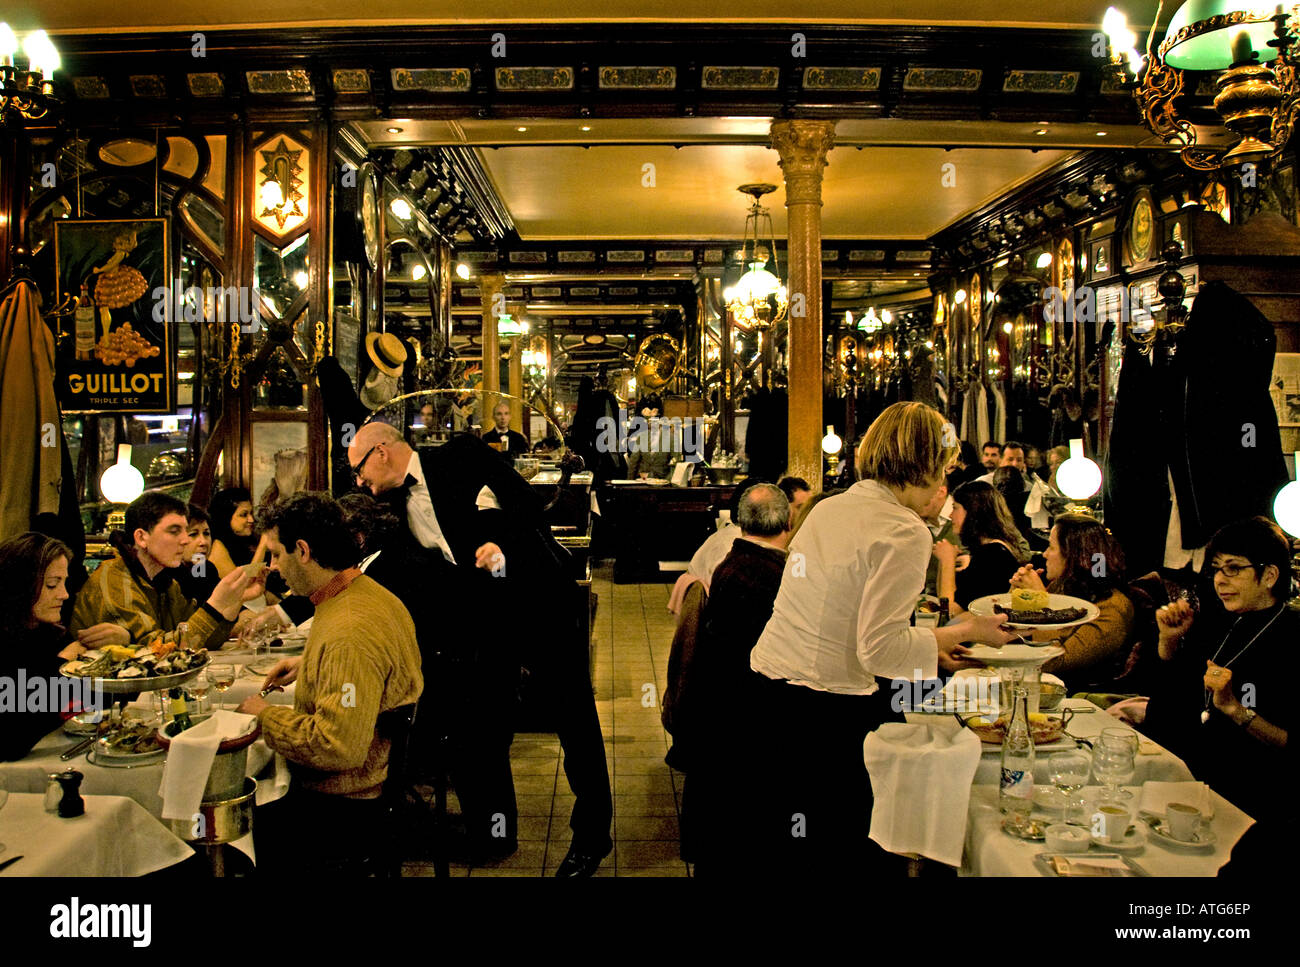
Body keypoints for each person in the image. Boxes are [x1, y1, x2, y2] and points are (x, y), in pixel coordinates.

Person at [748, 402, 1013, 874]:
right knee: (848, 848)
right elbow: (878, 649)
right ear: (926, 463)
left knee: (793, 846)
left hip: (772, 693)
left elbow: (846, 619)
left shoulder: (830, 507)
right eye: (944, 467)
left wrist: (935, 649)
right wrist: (968, 629)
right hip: (826, 709)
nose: (943, 481)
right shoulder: (902, 529)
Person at [347, 420, 612, 876]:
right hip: (484, 620)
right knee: (484, 726)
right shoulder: (391, 505)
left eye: (358, 468)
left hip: (537, 598)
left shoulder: (461, 454)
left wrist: (498, 543)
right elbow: (379, 563)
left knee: (573, 720)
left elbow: (524, 503)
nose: (358, 481)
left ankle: (592, 836)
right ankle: (494, 834)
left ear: (383, 451)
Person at [237, 492, 422, 875]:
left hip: (347, 809)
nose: (272, 567)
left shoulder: (347, 628)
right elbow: (370, 668)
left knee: (237, 823)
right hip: (375, 790)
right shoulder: (361, 593)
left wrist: (264, 716)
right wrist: (308, 664)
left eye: (275, 554)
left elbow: (337, 748)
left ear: (302, 550)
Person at [1142, 517, 1295, 827]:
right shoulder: (1217, 621)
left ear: (1269, 575)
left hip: (1249, 796)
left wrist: (1235, 709)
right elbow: (1170, 701)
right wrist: (1169, 642)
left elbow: (1289, 744)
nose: (1220, 580)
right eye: (1216, 569)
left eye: (1233, 569)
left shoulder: (1292, 636)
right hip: (1181, 776)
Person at [682, 484, 792, 873]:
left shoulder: (731, 562)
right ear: (789, 520)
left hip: (717, 714)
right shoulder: (778, 576)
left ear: (740, 521)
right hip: (750, 720)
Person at [69, 491, 263, 651]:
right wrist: (215, 604)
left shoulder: (166, 583)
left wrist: (233, 601)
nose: (186, 540)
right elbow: (156, 650)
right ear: (141, 537)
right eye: (174, 531)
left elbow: (197, 640)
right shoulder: (115, 578)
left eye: (186, 530)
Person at [1009, 514, 1135, 692]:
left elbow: (1052, 662)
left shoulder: (1112, 608)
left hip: (1076, 700)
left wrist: (1040, 600)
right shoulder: (1063, 589)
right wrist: (1018, 595)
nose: (1044, 554)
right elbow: (1012, 636)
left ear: (1074, 556)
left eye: (1051, 547)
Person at [0, 533, 85, 761]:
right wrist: (65, 666)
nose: (64, 594)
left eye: (64, 582)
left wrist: (122, 640)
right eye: (51, 584)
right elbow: (11, 741)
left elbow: (90, 701)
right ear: (19, 585)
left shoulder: (51, 634)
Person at [933, 480, 1031, 613]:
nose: (950, 515)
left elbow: (950, 612)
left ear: (973, 511)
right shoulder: (987, 552)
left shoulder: (992, 555)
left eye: (955, 508)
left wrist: (947, 561)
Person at [206, 487, 259, 578]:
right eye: (244, 515)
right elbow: (242, 585)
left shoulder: (243, 541)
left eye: (251, 513)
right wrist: (263, 544)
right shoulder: (216, 546)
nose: (251, 519)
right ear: (226, 517)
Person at [625, 393, 677, 479]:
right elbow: (633, 461)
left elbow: (676, 461)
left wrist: (669, 480)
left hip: (662, 480)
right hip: (642, 478)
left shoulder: (669, 437)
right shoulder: (639, 433)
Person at [175, 503, 219, 604]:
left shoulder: (207, 568)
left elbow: (227, 601)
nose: (203, 542)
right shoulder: (168, 578)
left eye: (206, 533)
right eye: (193, 534)